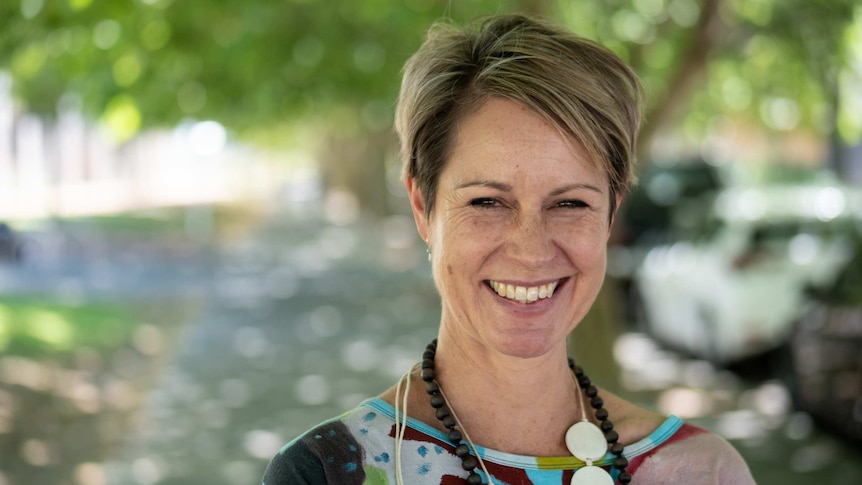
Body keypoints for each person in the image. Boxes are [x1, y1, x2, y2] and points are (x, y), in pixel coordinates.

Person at [262, 13, 755, 485]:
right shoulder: (327, 472)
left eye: (569, 203)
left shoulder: (703, 471)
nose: (531, 250)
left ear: (610, 215)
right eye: (487, 201)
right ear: (422, 208)